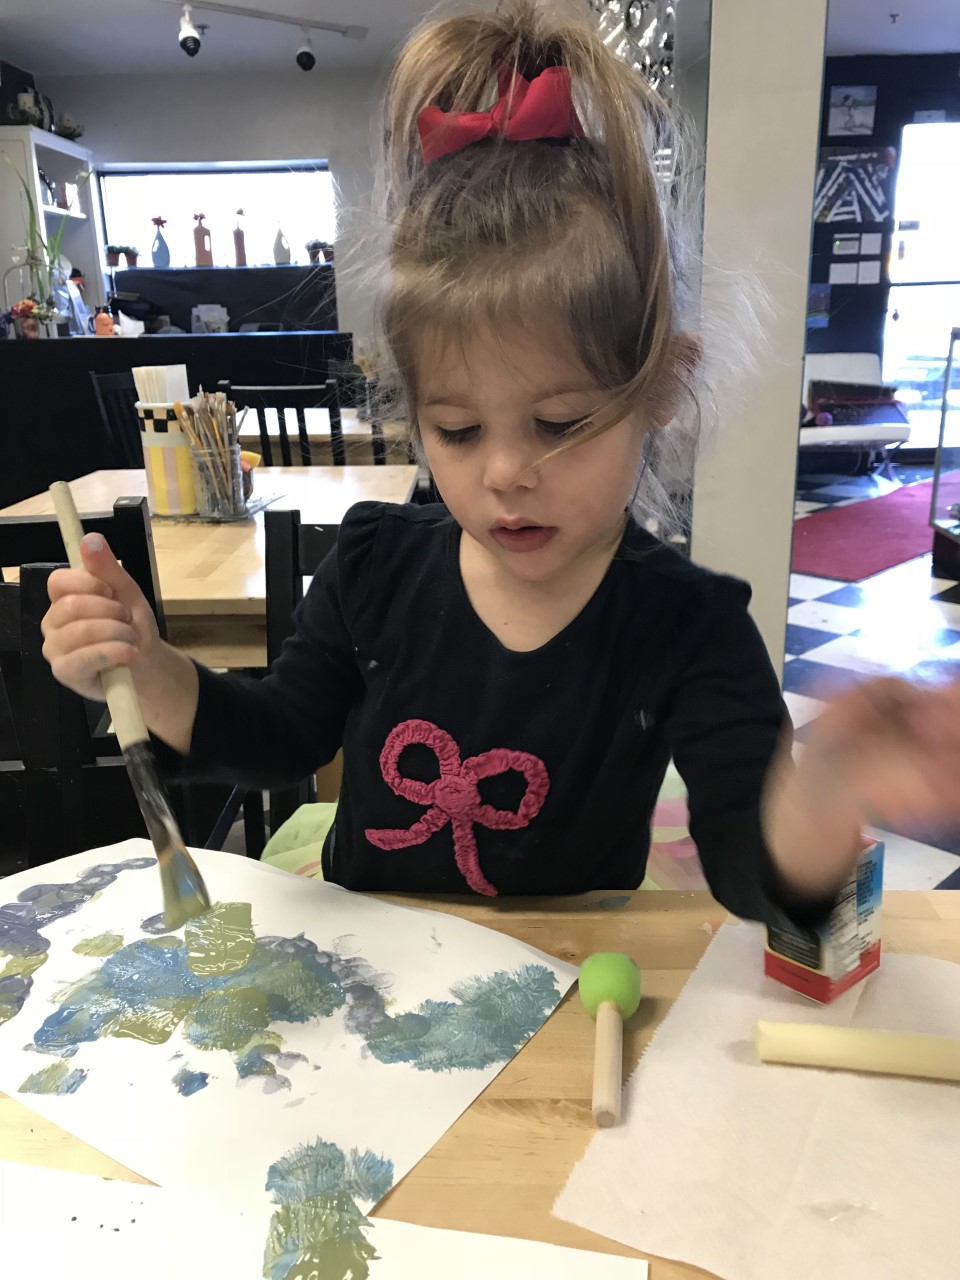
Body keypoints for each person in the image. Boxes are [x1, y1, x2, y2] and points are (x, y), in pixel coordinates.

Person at [41, 1, 960, 922]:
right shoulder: (373, 567)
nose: (506, 473)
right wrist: (150, 665)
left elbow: (751, 873)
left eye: (560, 423)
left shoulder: (686, 626)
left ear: (659, 388)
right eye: (458, 429)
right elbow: (282, 736)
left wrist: (827, 789)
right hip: (374, 984)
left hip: (571, 1004)